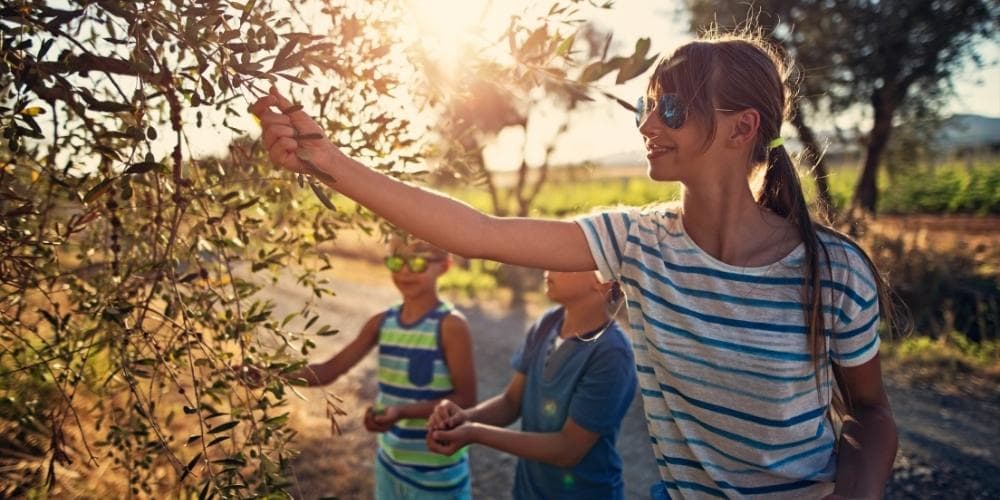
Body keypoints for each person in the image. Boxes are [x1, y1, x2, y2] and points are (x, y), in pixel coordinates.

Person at [251, 29, 899, 500]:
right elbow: (477, 232)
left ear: (740, 129)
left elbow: (869, 414)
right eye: (649, 105)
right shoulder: (636, 242)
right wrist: (329, 163)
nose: (648, 124)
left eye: (670, 108)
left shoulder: (834, 270)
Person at [251, 237, 477, 499]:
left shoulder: (451, 325)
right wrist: (268, 374)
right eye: (396, 261)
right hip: (390, 463)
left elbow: (466, 399)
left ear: (445, 266)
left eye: (417, 262)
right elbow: (329, 370)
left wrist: (401, 412)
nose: (405, 271)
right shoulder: (382, 322)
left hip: (436, 472)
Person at [425, 270, 636, 499]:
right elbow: (511, 402)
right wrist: (462, 418)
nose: (548, 266)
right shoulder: (548, 322)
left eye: (564, 261)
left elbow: (568, 450)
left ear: (604, 281)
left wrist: (475, 433)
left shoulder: (612, 354)